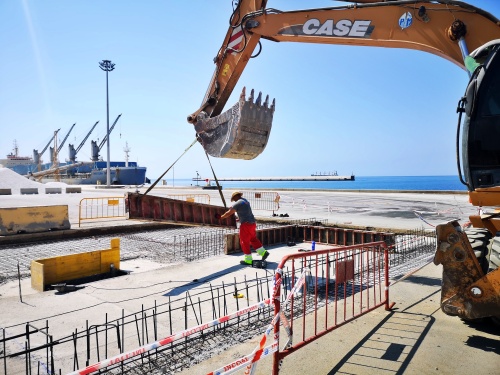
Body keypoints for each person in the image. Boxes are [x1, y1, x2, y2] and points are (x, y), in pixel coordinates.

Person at [218, 191, 269, 265]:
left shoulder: (237, 203)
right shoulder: (245, 201)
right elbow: (246, 212)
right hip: (252, 223)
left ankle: (248, 260)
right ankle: (263, 252)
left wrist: (221, 217)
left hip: (246, 225)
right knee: (253, 239)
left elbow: (229, 213)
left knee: (244, 242)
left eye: (234, 199)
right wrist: (240, 218)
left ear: (236, 196)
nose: (234, 200)